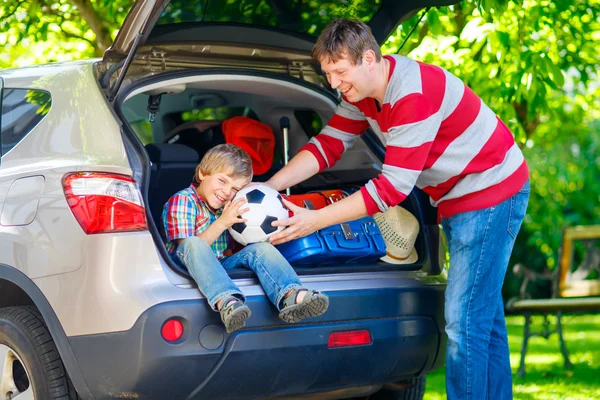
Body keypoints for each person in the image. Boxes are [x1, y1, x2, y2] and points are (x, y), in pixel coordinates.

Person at [266, 19, 529, 400]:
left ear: (369, 59)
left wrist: (314, 220)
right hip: (456, 198)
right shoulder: (363, 95)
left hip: (491, 192)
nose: (336, 84)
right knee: (483, 323)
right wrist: (269, 186)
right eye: (329, 75)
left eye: (341, 73)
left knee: (464, 324)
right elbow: (328, 146)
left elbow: (391, 189)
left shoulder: (411, 96)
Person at [163, 144, 329, 333]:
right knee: (193, 243)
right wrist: (223, 223)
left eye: (235, 189)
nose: (227, 192)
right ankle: (227, 302)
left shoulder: (228, 206)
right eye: (222, 181)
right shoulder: (183, 200)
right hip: (184, 266)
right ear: (202, 173)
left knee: (260, 249)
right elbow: (186, 249)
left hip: (220, 265)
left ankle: (291, 295)